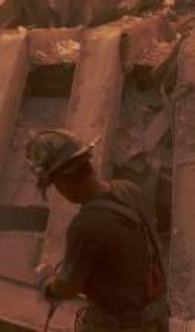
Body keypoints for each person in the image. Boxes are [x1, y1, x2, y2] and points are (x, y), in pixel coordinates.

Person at [26, 129, 168, 332]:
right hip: (157, 315)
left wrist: (47, 282)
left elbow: (67, 288)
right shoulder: (129, 189)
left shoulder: (86, 226)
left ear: (63, 183)